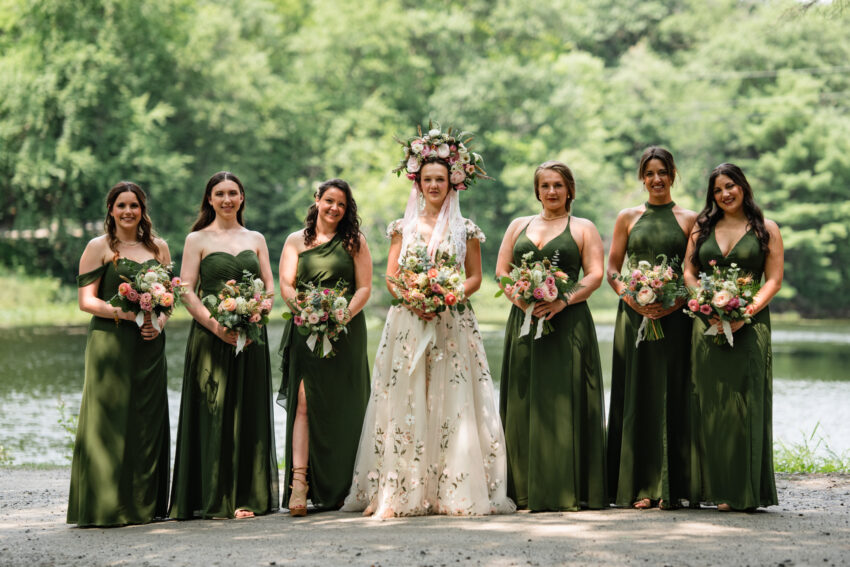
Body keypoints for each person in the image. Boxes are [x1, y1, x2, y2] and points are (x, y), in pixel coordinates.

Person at [342, 126, 515, 518]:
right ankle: (400, 487)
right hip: (408, 319)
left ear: (452, 183)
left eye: (440, 179)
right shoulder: (402, 228)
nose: (434, 185)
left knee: (450, 399)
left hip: (452, 320)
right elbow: (389, 276)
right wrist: (415, 299)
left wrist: (445, 296)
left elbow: (475, 277)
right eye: (427, 180)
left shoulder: (465, 229)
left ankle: (450, 488)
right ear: (417, 184)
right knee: (405, 397)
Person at [495, 161, 607, 511]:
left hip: (568, 324)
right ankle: (524, 490)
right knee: (523, 399)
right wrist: (521, 299)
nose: (552, 191)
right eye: (545, 185)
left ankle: (571, 488)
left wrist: (562, 300)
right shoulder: (518, 226)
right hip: (525, 324)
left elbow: (595, 274)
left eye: (558, 185)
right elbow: (501, 272)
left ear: (569, 189)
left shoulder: (583, 227)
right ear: (537, 190)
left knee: (566, 401)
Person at [169, 171, 279, 520]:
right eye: (220, 193)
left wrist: (256, 314)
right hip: (209, 337)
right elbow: (185, 289)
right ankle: (211, 495)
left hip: (250, 338)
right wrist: (216, 326)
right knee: (213, 409)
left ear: (242, 197)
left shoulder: (256, 238)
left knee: (247, 409)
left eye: (233, 193)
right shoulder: (196, 239)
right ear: (210, 199)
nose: (227, 199)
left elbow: (270, 289)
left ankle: (246, 495)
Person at [68, 181, 171, 527]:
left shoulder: (159, 248)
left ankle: (141, 505)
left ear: (143, 210)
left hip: (149, 344)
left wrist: (158, 323)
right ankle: (105, 505)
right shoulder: (97, 248)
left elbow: (168, 300)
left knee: (145, 422)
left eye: (135, 205)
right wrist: (128, 314)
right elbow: (86, 301)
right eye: (121, 205)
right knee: (109, 420)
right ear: (111, 210)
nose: (128, 211)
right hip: (110, 344)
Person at [684, 163, 783, 511]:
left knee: (746, 404)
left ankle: (744, 491)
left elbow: (773, 279)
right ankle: (715, 488)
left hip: (750, 327)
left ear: (742, 186)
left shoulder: (765, 229)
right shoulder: (703, 227)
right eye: (717, 190)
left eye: (730, 186)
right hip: (707, 326)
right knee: (711, 405)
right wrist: (704, 303)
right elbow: (688, 271)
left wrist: (744, 313)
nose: (725, 194)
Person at [605, 147, 699, 509]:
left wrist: (673, 303)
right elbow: (613, 267)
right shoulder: (627, 217)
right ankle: (638, 486)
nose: (656, 179)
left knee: (674, 394)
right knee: (637, 394)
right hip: (634, 317)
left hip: (677, 318)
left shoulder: (690, 219)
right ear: (641, 178)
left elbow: (691, 272)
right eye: (649, 173)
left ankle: (673, 487)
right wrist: (630, 296)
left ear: (673, 174)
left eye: (662, 172)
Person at [278, 179, 372, 516]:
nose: (334, 208)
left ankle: (350, 484)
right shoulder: (295, 241)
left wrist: (343, 313)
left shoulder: (354, 241)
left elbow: (364, 288)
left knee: (348, 404)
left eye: (342, 205)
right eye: (329, 201)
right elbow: (286, 286)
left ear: (347, 210)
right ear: (317, 200)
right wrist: (304, 311)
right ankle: (299, 485)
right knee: (304, 401)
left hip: (346, 331)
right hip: (306, 329)